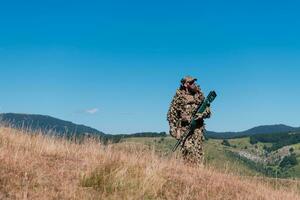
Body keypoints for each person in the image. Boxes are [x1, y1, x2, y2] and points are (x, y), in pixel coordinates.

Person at [167, 76, 211, 165]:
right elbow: (171, 114)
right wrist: (174, 130)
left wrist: (201, 115)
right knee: (187, 151)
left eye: (194, 82)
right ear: (185, 84)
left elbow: (208, 112)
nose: (194, 84)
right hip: (185, 129)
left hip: (198, 129)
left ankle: (198, 174)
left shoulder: (199, 94)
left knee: (198, 153)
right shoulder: (179, 97)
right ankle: (188, 172)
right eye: (191, 83)